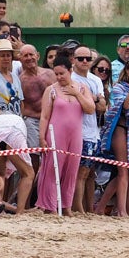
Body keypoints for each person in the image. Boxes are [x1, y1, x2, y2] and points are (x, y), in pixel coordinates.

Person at [34, 57, 95, 215]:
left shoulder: (81, 88)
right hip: (55, 133)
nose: (59, 77)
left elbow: (90, 109)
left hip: (75, 134)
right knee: (52, 169)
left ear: (70, 71)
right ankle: (50, 205)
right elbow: (44, 116)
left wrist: (76, 94)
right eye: (56, 74)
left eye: (62, 73)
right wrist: (42, 137)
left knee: (72, 170)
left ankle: (66, 205)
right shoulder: (51, 90)